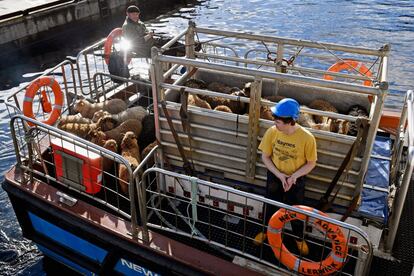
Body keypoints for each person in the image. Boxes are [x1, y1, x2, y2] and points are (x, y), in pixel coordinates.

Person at [255, 98, 317, 256]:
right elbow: (265, 156)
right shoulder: (272, 131)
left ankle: (298, 238)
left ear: (290, 121)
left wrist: (294, 176)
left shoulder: (307, 138)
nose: (274, 121)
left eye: (278, 120)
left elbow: (311, 163)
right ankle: (265, 231)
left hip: (296, 179)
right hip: (275, 176)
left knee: (295, 210)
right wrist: (279, 175)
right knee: (270, 205)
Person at [122, 5, 191, 58]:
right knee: (170, 50)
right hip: (144, 49)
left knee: (171, 41)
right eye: (133, 14)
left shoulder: (139, 22)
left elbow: (145, 31)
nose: (136, 16)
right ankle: (188, 54)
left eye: (137, 14)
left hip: (152, 42)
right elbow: (135, 42)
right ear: (128, 14)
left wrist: (149, 33)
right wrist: (148, 36)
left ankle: (191, 49)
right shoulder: (127, 27)